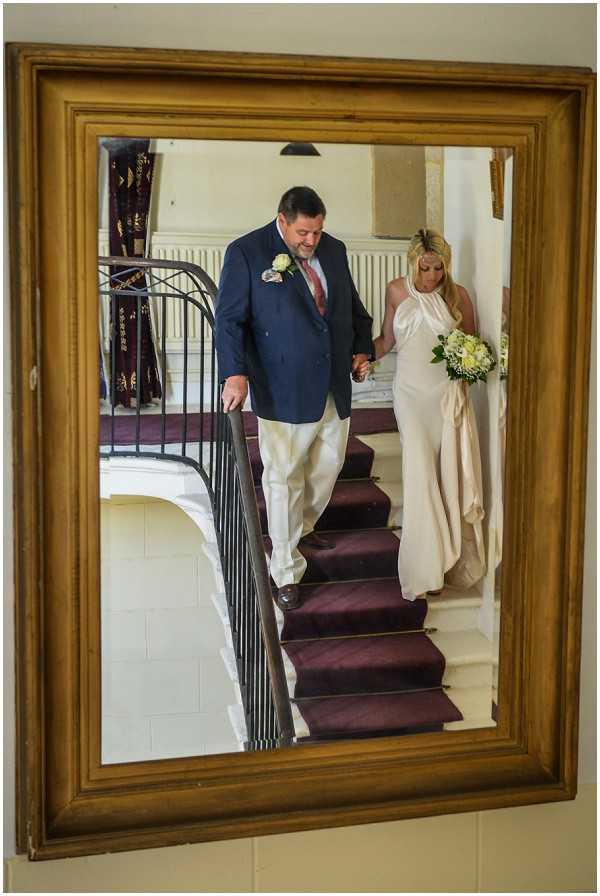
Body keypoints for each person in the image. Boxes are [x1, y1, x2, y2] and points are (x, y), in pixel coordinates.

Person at [215, 186, 374, 611]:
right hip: (281, 385)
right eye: (304, 232)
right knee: (283, 479)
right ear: (282, 220)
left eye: (318, 232)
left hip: (333, 382)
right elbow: (229, 320)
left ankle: (300, 528)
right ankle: (285, 570)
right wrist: (235, 374)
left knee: (328, 465)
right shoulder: (247, 252)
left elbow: (352, 308)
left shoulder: (335, 250)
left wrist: (363, 348)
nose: (311, 241)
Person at [372, 227, 485, 600]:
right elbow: (387, 341)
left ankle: (446, 562)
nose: (432, 276)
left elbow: (472, 345)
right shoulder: (395, 291)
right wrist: (358, 357)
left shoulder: (458, 295)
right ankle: (423, 571)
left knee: (445, 475)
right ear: (412, 263)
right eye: (425, 268)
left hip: (444, 396)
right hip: (410, 394)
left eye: (438, 268)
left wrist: (473, 364)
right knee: (419, 473)